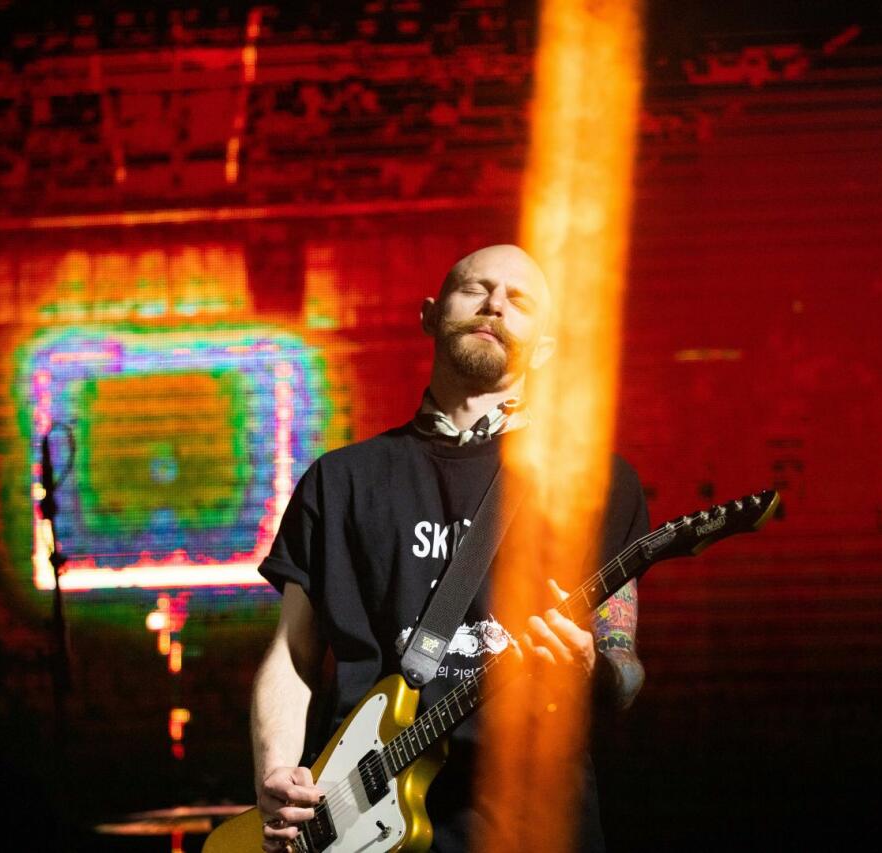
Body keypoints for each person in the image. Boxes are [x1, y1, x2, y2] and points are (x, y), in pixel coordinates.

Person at [252, 244, 648, 852]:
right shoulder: (341, 481)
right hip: (353, 821)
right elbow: (292, 653)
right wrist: (276, 772)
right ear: (430, 315)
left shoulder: (593, 483)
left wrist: (592, 668)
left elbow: (624, 665)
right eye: (476, 289)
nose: (495, 305)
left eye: (520, 301)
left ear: (544, 347)